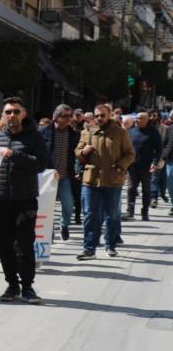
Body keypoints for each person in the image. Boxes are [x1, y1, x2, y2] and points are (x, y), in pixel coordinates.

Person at [0, 97, 47, 303]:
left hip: (24, 201)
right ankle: (12, 285)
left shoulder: (34, 138)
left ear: (23, 114)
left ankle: (27, 287)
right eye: (8, 112)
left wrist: (14, 155)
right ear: (3, 115)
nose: (12, 115)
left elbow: (41, 164)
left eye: (16, 112)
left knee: (24, 246)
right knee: (4, 247)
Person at [77, 103, 133, 260]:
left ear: (109, 115)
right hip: (91, 180)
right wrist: (83, 152)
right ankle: (89, 249)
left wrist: (120, 166)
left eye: (102, 115)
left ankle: (111, 245)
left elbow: (130, 154)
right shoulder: (87, 132)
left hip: (113, 180)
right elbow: (78, 152)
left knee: (112, 215)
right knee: (90, 214)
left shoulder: (120, 132)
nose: (99, 118)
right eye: (97, 115)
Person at [40, 105, 78, 240]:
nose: (68, 119)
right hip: (47, 176)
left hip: (65, 175)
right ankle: (48, 232)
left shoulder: (74, 134)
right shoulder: (43, 132)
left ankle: (64, 224)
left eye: (70, 116)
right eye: (64, 116)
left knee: (68, 204)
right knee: (47, 206)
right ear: (55, 117)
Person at [123, 112, 162, 221]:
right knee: (131, 188)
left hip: (147, 166)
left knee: (146, 190)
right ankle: (130, 212)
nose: (137, 120)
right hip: (132, 166)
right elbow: (126, 148)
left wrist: (155, 162)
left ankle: (145, 212)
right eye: (137, 118)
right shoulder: (131, 131)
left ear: (146, 119)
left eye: (140, 118)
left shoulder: (153, 132)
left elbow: (158, 148)